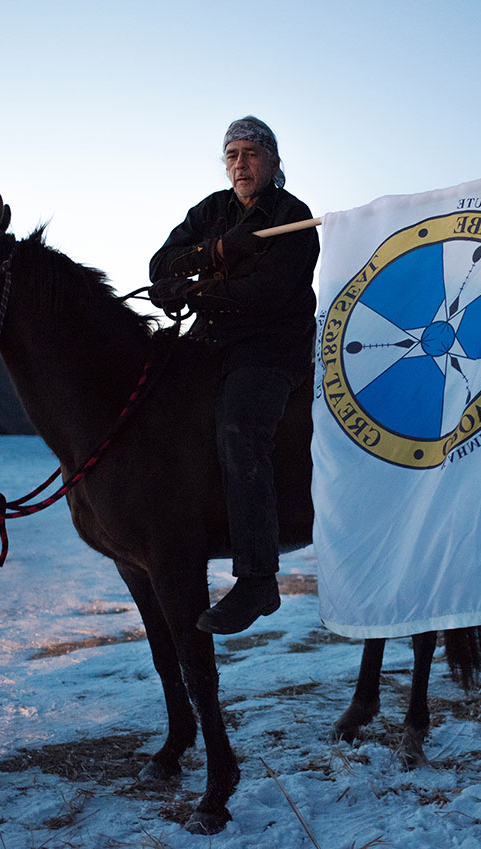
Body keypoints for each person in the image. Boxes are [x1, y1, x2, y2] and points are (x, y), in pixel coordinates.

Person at [148, 116, 318, 635]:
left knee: (239, 428)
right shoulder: (212, 212)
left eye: (250, 153)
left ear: (272, 161)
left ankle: (258, 579)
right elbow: (161, 267)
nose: (240, 164)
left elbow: (265, 295)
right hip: (210, 342)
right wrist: (218, 251)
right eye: (232, 155)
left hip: (272, 347)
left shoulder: (294, 217)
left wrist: (193, 290)